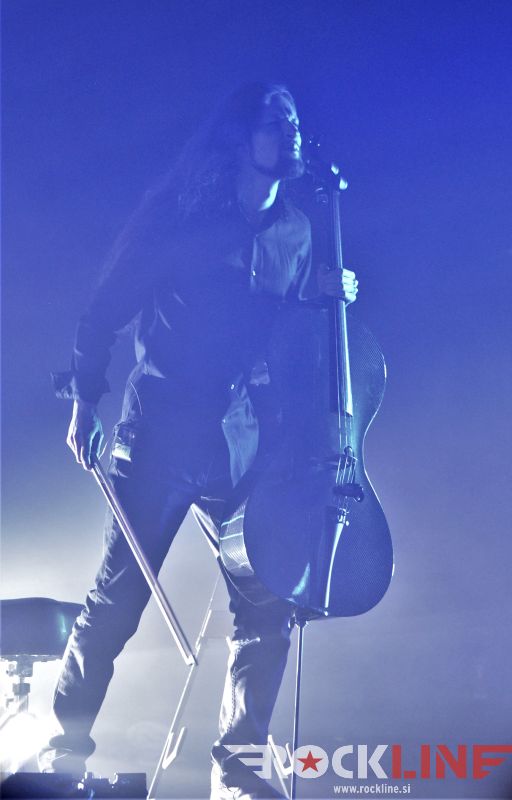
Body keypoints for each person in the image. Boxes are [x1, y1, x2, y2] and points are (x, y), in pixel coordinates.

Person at [41, 82, 358, 800]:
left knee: (266, 603)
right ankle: (63, 752)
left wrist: (321, 300)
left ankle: (238, 768)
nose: (291, 131)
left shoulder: (298, 231)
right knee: (117, 603)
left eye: (295, 120)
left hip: (243, 444)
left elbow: (285, 340)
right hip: (159, 435)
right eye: (275, 122)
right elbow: (103, 312)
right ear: (241, 139)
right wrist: (85, 401)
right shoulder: (181, 222)